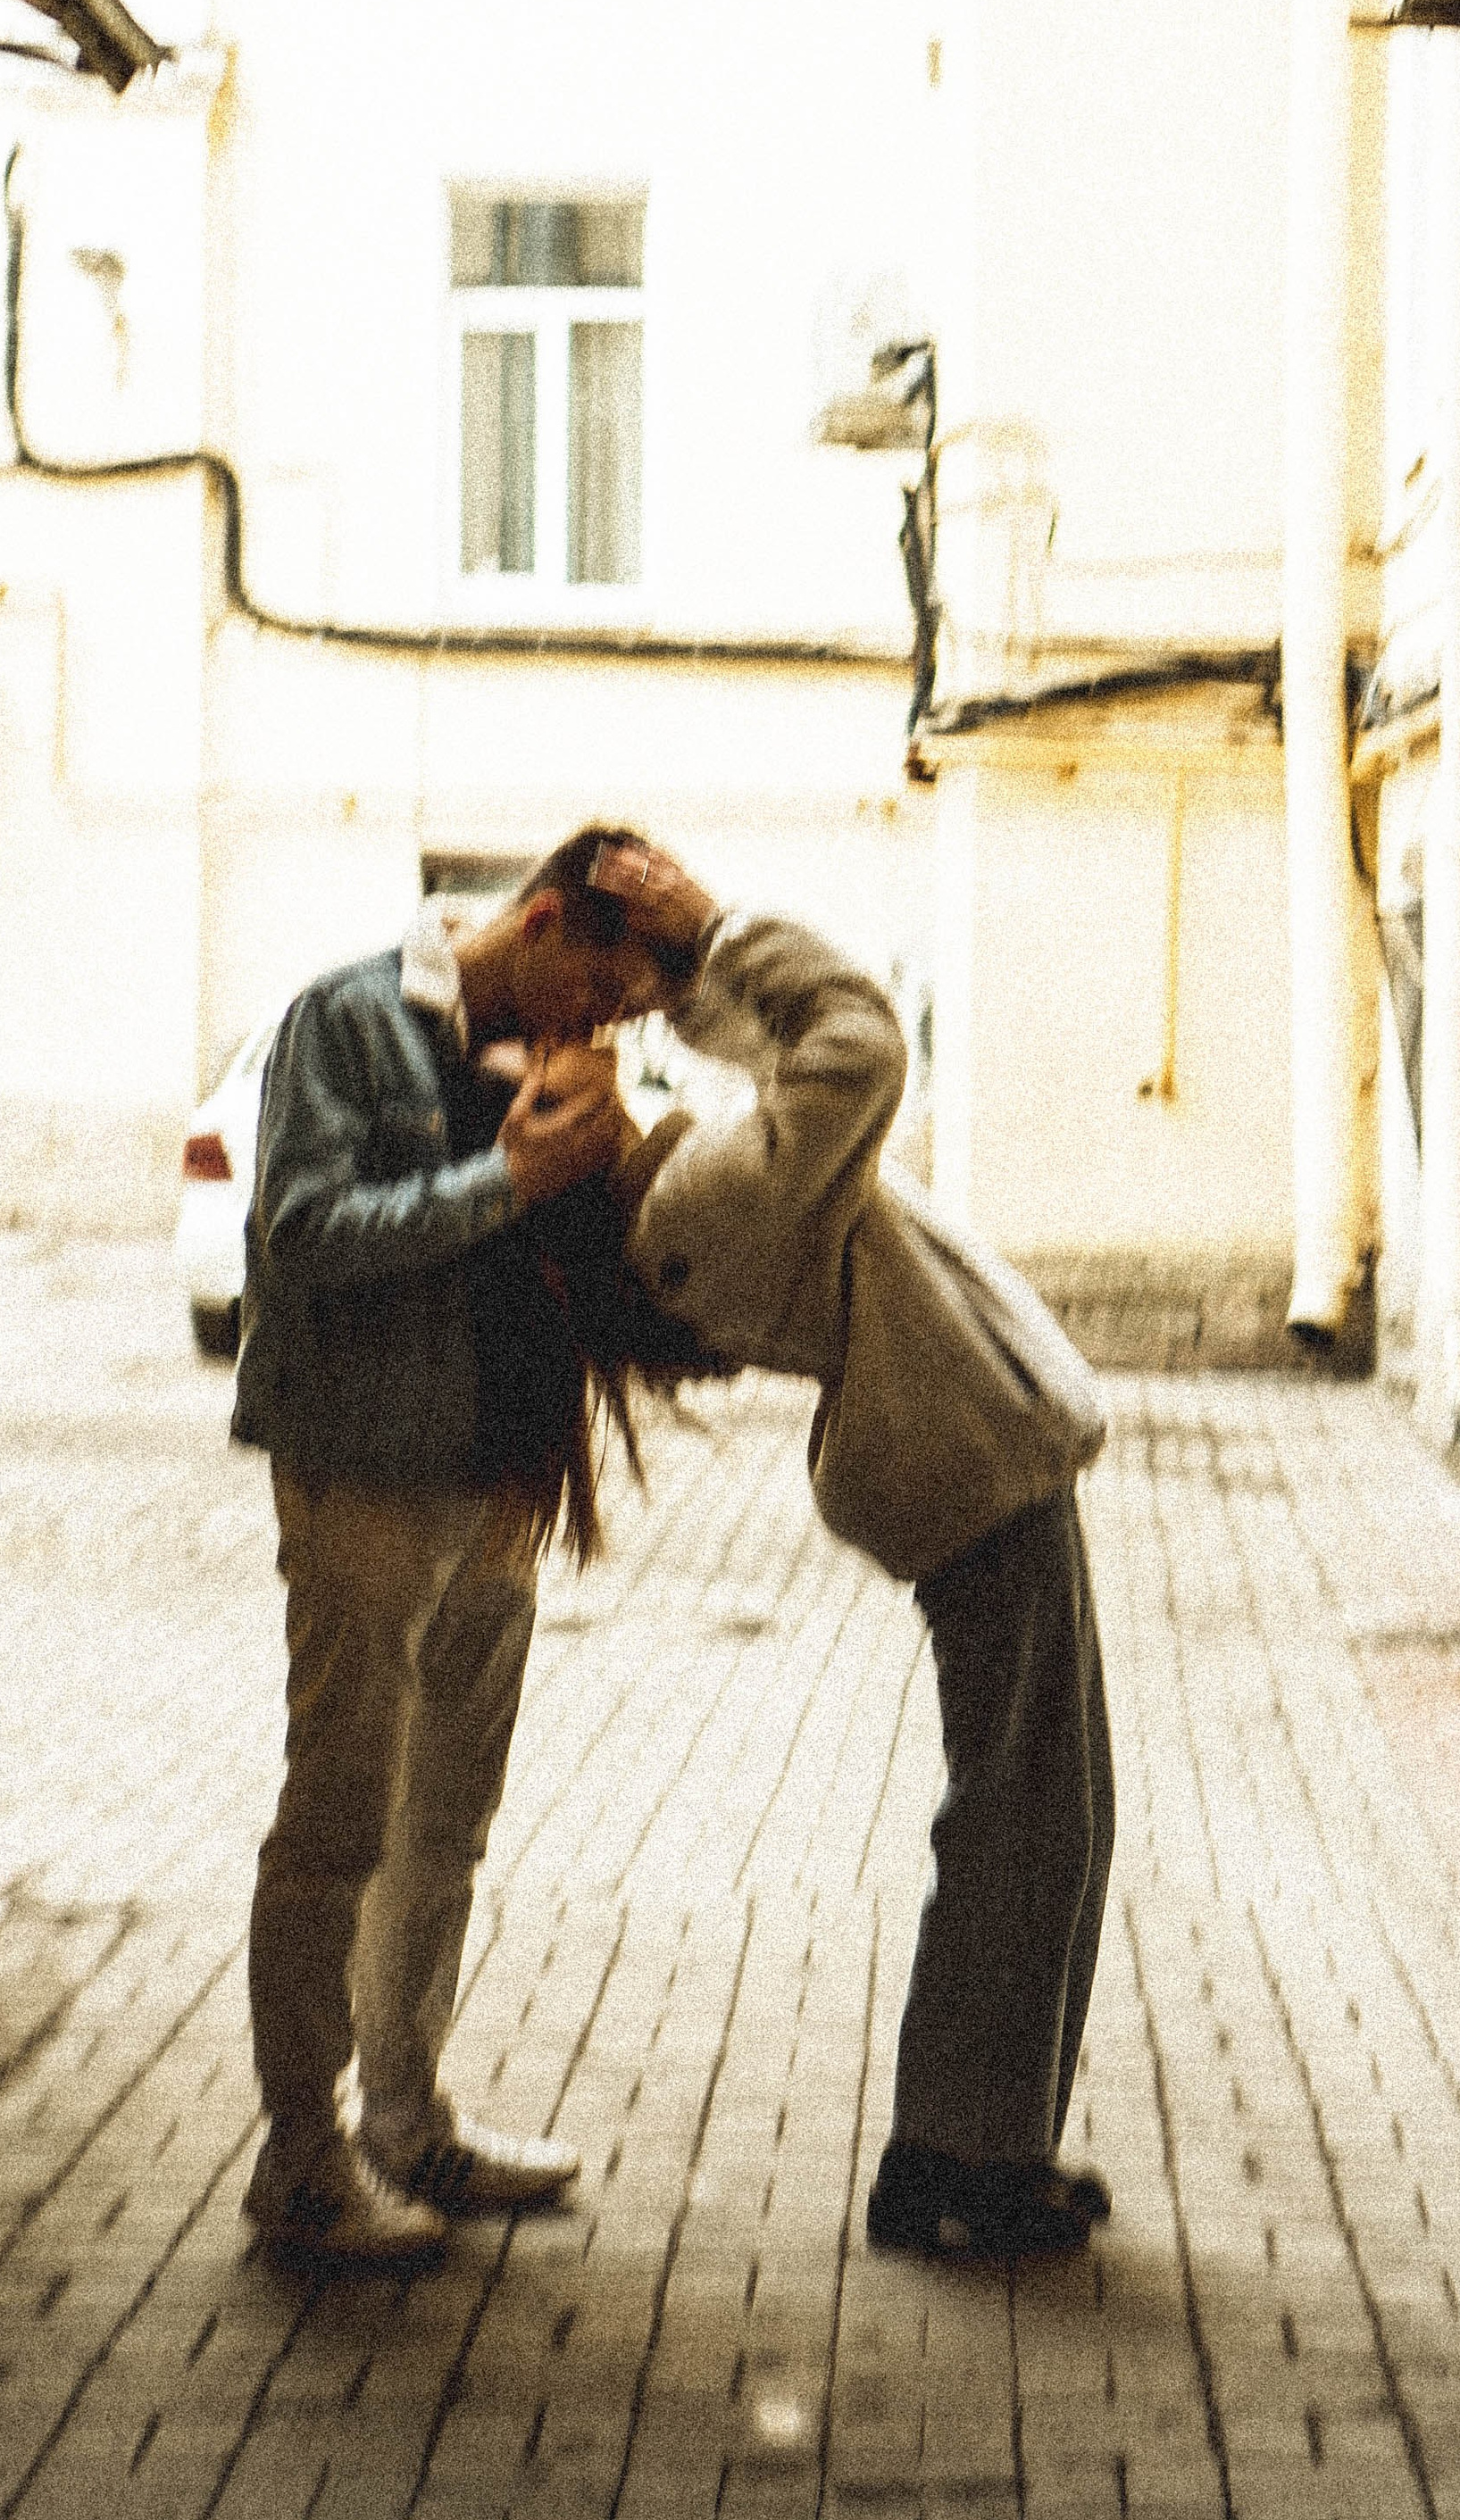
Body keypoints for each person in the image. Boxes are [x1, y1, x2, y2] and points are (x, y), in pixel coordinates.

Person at [577, 838, 1116, 2261]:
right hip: (968, 1478)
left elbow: (790, 1071)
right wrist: (718, 929)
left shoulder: (688, 1192)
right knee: (1019, 1819)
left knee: (1049, 1814)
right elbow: (854, 1050)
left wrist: (690, 974)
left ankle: (991, 2143)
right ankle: (955, 2158)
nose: (581, 1058)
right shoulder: (693, 1210)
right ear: (555, 1154)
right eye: (545, 1074)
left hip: (967, 1467)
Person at [232, 833, 655, 2266]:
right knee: (340, 1814)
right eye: (595, 988)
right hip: (360, 1476)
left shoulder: (524, 1061)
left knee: (445, 1821)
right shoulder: (344, 1021)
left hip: (495, 1484)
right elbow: (298, 1232)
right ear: (535, 922)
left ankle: (406, 2123)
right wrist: (508, 1180)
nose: (596, 1026)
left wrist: (600, 1164)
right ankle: (299, 2164)